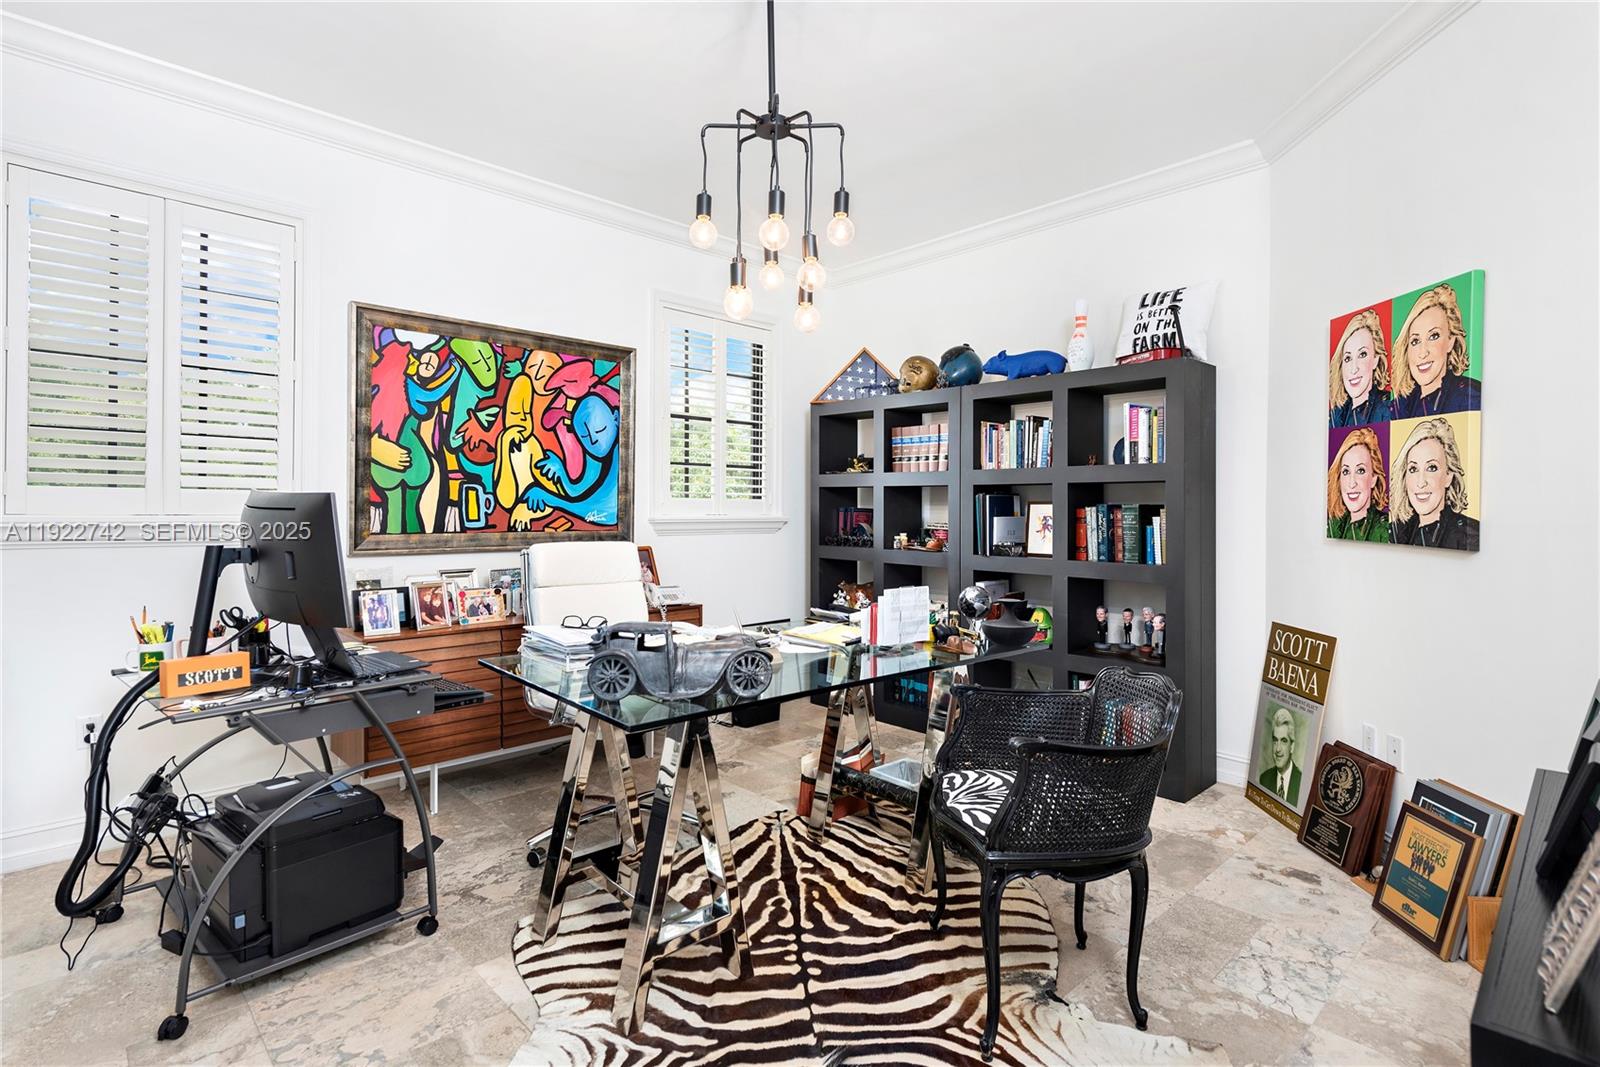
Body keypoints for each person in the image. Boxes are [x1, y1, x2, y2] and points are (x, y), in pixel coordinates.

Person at [1389, 418, 1479, 550]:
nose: (1421, 482)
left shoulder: (1471, 536)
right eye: (1413, 469)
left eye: (1431, 468)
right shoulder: (1394, 533)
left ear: (1448, 475)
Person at [1391, 284, 1481, 418]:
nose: (1423, 353)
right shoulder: (1398, 408)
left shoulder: (1471, 398)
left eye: (1433, 336)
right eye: (1415, 341)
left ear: (1450, 341)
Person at [1328, 309, 1393, 426]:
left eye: (1362, 354)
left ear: (1375, 359)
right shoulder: (1335, 416)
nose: (1354, 369)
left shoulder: (1388, 408)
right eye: (1348, 358)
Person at [1326, 426, 1391, 542]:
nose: (1352, 483)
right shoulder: (1332, 526)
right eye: (1346, 471)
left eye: (1360, 470)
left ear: (1373, 478)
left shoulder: (1385, 528)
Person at [1258, 707, 1302, 805]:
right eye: (1275, 740)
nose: (1278, 749)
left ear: (1292, 746)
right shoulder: (1264, 779)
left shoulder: (1301, 783)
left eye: (1283, 741)